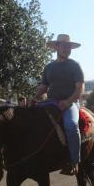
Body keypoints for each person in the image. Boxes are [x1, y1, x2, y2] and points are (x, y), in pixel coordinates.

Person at [34, 34, 84, 175]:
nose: (67, 49)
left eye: (69, 46)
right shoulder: (48, 67)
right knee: (29, 119)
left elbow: (80, 88)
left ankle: (75, 161)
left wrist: (68, 102)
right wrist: (34, 98)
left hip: (70, 103)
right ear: (57, 47)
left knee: (71, 125)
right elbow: (44, 87)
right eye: (64, 45)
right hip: (50, 102)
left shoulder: (74, 66)